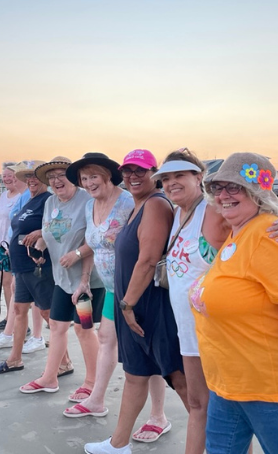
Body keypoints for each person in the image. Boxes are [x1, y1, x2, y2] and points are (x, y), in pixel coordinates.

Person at [152, 148, 278, 454]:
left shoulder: (215, 211)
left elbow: (263, 216)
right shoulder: (177, 211)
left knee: (211, 408)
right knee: (206, 406)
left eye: (180, 175)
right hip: (190, 327)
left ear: (198, 177)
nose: (171, 183)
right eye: (166, 178)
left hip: (219, 332)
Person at [189, 152, 278, 454]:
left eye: (234, 187)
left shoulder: (270, 234)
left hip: (271, 390)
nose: (223, 195)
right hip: (228, 386)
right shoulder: (237, 232)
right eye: (217, 187)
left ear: (256, 192)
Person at [84, 149, 188, 454]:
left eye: (140, 170)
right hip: (133, 305)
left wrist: (127, 305)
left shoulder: (155, 205)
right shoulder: (138, 205)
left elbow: (147, 261)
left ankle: (219, 443)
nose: (132, 176)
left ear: (153, 174)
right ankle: (118, 444)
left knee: (179, 379)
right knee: (135, 374)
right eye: (127, 170)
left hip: (150, 307)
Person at [64, 152, 170, 443]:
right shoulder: (90, 206)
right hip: (113, 289)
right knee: (106, 339)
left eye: (93, 176)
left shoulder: (130, 202)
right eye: (84, 179)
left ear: (108, 176)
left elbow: (147, 249)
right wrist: (85, 280)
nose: (89, 183)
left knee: (150, 355)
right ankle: (97, 399)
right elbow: (93, 245)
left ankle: (158, 416)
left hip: (139, 291)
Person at [19, 156, 105, 396]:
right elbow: (50, 232)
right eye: (52, 177)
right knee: (56, 325)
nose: (56, 181)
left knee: (83, 329)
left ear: (74, 177)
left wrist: (77, 253)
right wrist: (40, 246)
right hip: (62, 279)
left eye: (61, 175)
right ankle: (49, 378)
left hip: (87, 281)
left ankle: (92, 383)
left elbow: (99, 238)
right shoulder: (50, 203)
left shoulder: (88, 201)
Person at [0, 160, 54, 374]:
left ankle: (64, 361)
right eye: (28, 177)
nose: (32, 180)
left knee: (47, 313)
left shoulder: (49, 200)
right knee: (18, 310)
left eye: (36, 176)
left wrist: (41, 233)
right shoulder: (29, 200)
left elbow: (58, 229)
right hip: (20, 265)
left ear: (45, 179)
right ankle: (15, 358)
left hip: (37, 266)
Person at [0, 162, 25, 331]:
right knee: (5, 282)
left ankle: (16, 320)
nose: (6, 179)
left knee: (12, 283)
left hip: (14, 245)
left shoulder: (22, 196)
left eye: (10, 175)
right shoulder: (3, 195)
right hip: (2, 244)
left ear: (17, 176)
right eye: (4, 176)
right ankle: (10, 317)